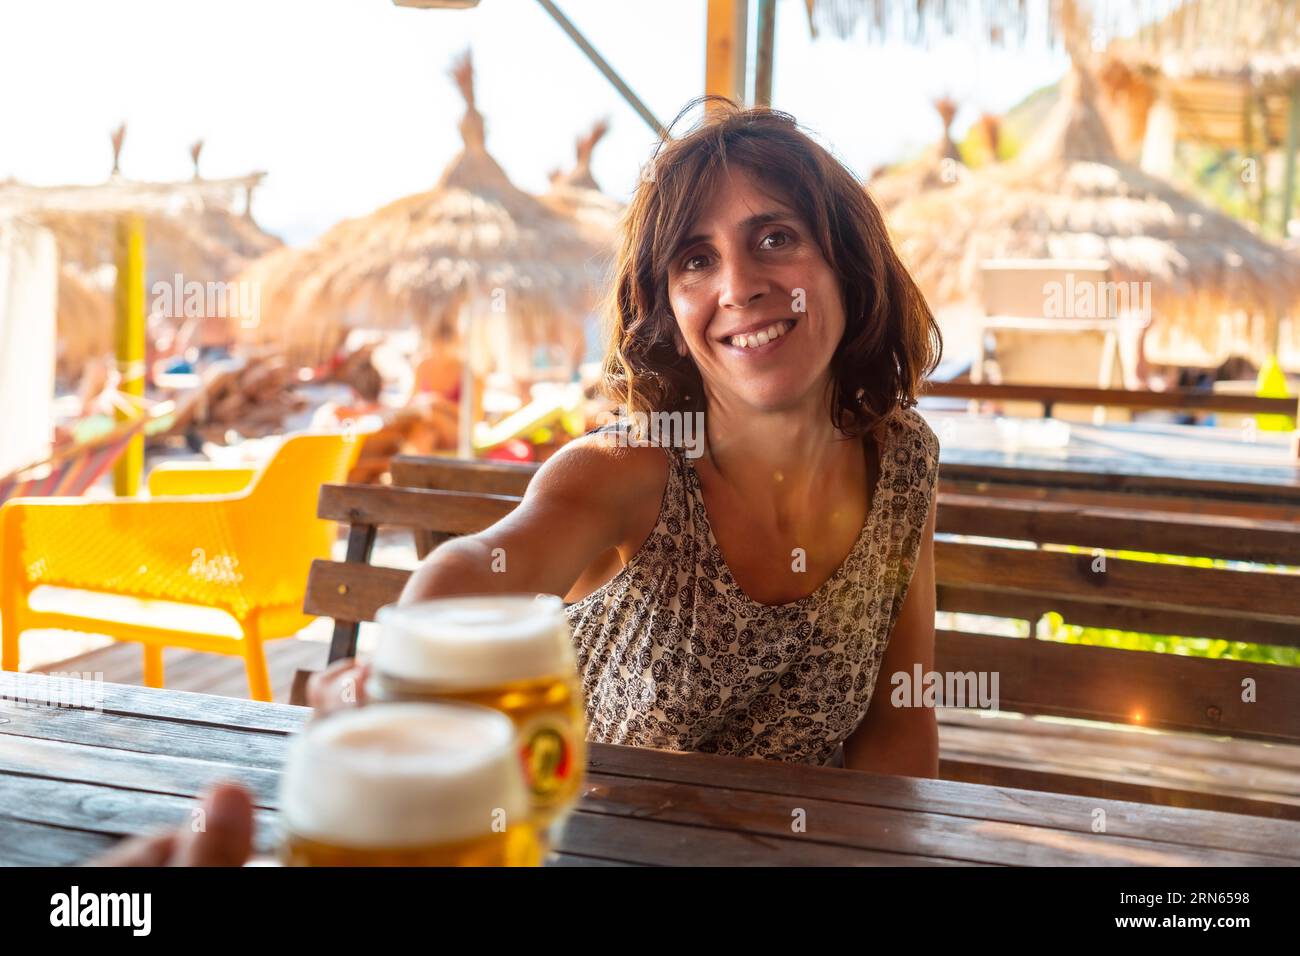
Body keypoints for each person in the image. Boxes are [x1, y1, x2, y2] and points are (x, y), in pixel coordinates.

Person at [316, 99, 944, 777]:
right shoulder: (623, 471)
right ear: (670, 315)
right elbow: (481, 564)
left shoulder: (901, 461)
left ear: (846, 263)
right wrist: (402, 663)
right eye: (696, 260)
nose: (738, 287)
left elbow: (896, 733)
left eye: (774, 239)